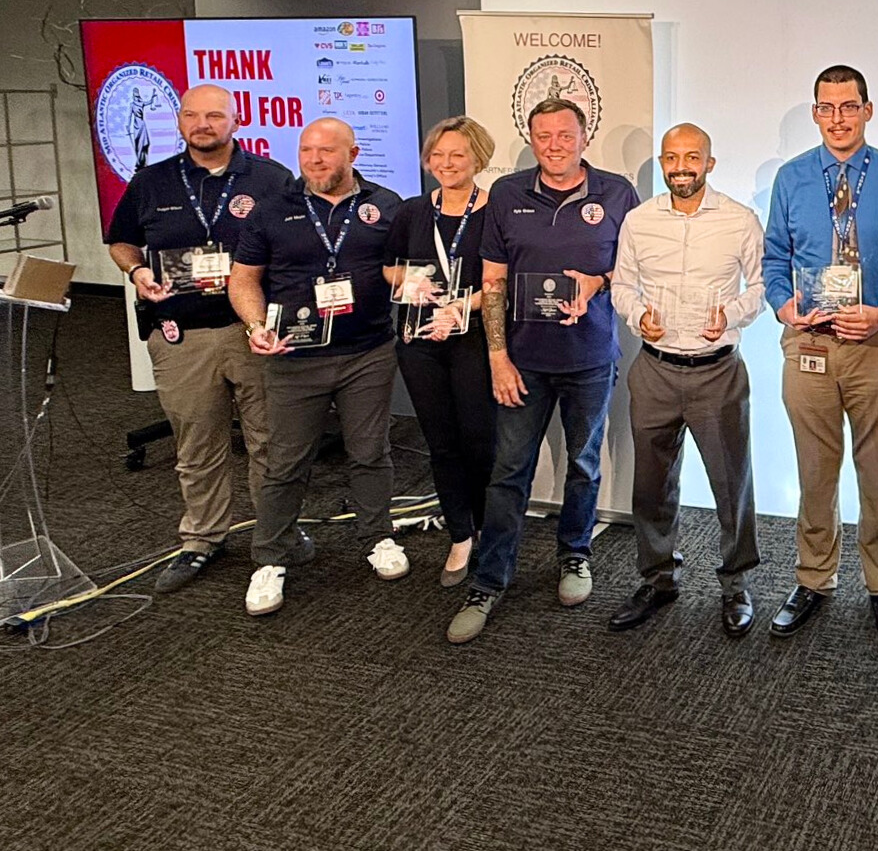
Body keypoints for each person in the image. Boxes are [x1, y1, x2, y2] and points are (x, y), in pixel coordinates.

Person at [446, 98, 641, 644]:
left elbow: (631, 272)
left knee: (583, 464)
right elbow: (491, 282)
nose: (555, 144)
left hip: (590, 358)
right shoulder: (507, 194)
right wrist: (497, 357)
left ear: (584, 136)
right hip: (522, 362)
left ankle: (575, 555)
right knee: (509, 473)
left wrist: (597, 284)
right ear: (530, 140)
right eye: (543, 136)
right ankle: (489, 580)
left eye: (565, 134)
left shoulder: (618, 194)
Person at [763, 64, 878, 643]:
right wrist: (785, 307)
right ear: (815, 113)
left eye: (849, 106)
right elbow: (772, 263)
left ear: (867, 109)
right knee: (815, 471)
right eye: (827, 107)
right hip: (810, 343)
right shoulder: (791, 179)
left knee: (877, 469)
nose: (838, 118)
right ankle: (814, 577)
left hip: (877, 345)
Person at [105, 83, 291, 593]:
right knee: (197, 443)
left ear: (235, 121)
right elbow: (121, 240)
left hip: (252, 331)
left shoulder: (271, 179)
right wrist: (137, 271)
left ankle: (276, 536)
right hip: (181, 335)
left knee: (269, 442)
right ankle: (203, 539)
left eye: (214, 115)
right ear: (181, 122)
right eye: (192, 115)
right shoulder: (152, 181)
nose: (202, 124)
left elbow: (296, 242)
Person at [228, 117, 407, 617]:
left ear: (352, 153)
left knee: (371, 452)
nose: (315, 160)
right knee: (285, 461)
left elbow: (403, 269)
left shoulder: (385, 206)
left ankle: (379, 538)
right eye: (307, 150)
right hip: (293, 357)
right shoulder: (272, 210)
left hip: (367, 352)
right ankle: (269, 557)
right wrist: (254, 324)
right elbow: (243, 280)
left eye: (327, 151)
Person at [606, 124, 765, 637]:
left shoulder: (740, 221)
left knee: (730, 484)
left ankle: (736, 584)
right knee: (650, 484)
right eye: (672, 158)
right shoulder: (639, 220)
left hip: (716, 371)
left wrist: (733, 314)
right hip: (654, 368)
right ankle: (658, 578)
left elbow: (763, 287)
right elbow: (621, 284)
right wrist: (636, 317)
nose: (681, 167)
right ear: (662, 162)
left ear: (709, 164)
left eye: (691, 157)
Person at [382, 117, 497, 589]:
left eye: (458, 155)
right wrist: (408, 282)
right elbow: (388, 268)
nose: (447, 164)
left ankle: (490, 531)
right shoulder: (412, 211)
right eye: (439, 156)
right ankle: (459, 533)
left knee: (479, 440)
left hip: (471, 340)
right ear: (428, 161)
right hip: (420, 343)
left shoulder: (494, 211)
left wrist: (459, 306)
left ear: (477, 159)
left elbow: (499, 282)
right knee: (441, 443)